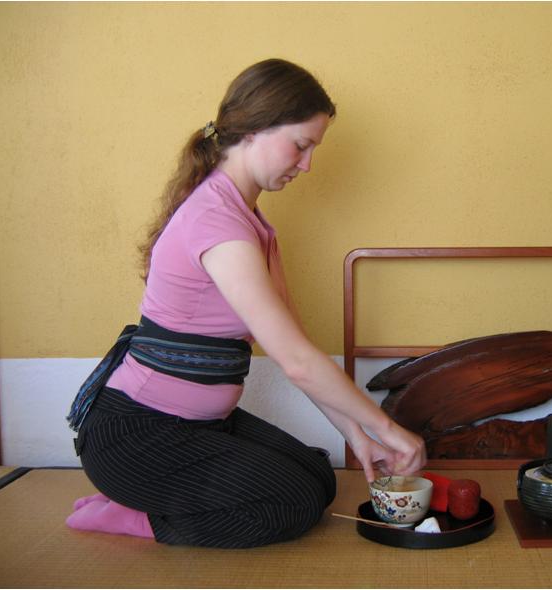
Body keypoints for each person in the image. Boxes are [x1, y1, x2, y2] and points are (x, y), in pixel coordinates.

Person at [65, 58, 427, 549]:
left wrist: (360, 439)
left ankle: (156, 500)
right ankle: (137, 516)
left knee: (318, 479)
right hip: (137, 436)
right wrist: (388, 428)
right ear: (255, 129)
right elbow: (296, 363)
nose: (307, 165)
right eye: (301, 145)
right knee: (293, 503)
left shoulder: (251, 223)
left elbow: (298, 349)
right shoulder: (218, 223)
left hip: (199, 427)